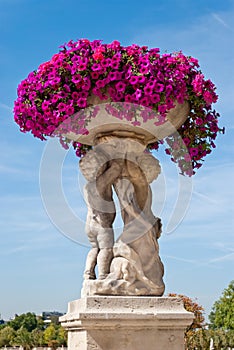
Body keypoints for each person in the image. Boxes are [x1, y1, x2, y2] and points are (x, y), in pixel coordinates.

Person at [79, 148, 123, 280]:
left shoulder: (87, 187)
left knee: (94, 248)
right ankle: (103, 275)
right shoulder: (101, 182)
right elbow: (116, 169)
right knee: (106, 249)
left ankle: (88, 272)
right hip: (102, 224)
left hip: (90, 224)